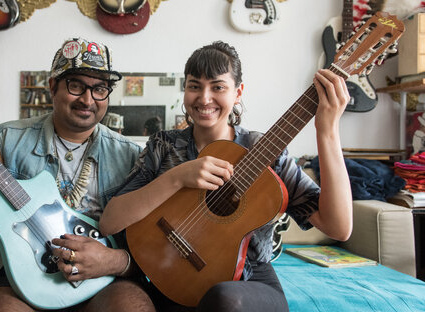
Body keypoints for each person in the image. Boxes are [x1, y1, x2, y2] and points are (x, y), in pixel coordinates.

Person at [100, 41, 353, 311]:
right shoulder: (164, 145)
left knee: (224, 300)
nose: (204, 98)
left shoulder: (265, 150)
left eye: (218, 87)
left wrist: (327, 132)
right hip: (168, 275)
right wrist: (177, 177)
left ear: (237, 92)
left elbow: (338, 227)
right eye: (194, 85)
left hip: (245, 285)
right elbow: (110, 222)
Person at [0, 38, 153, 312]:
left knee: (133, 307)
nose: (88, 100)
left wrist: (115, 261)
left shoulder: (131, 156)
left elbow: (151, 248)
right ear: (52, 86)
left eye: (99, 89)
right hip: (15, 281)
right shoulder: (5, 142)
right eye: (76, 85)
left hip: (103, 281)